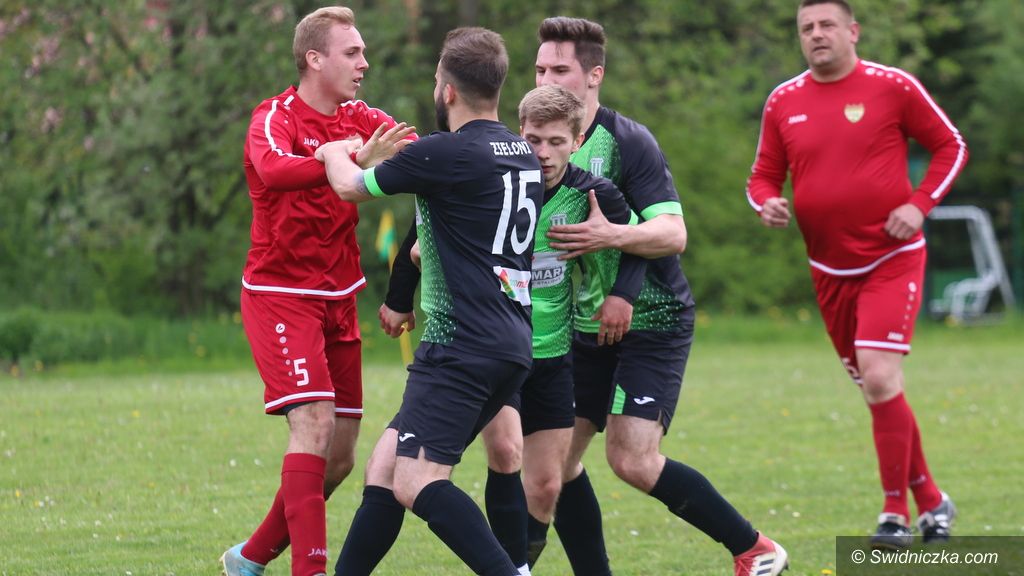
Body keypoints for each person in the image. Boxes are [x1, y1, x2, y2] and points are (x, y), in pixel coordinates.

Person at [536, 17, 789, 576]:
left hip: (653, 319)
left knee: (631, 459)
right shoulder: (536, 143)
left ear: (594, 75)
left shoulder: (627, 141)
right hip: (584, 326)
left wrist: (612, 243)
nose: (547, 79)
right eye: (539, 69)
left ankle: (755, 549)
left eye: (560, 69)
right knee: (553, 462)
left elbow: (673, 234)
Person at [378, 84, 645, 575]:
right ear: (519, 134)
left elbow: (635, 240)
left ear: (577, 141)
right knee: (504, 450)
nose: (543, 153)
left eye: (556, 142)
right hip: (494, 345)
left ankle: (516, 565)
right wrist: (399, 299)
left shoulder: (591, 194)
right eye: (534, 140)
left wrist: (621, 293)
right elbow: (423, 231)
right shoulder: (494, 180)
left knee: (546, 485)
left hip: (553, 352)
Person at [318, 27, 543, 576]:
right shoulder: (522, 152)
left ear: (447, 90)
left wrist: (332, 149)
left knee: (417, 480)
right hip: (510, 341)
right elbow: (443, 236)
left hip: (460, 346)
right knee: (384, 469)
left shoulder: (447, 151)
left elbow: (349, 186)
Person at [746, 0, 967, 550]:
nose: (816, 34)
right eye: (806, 28)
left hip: (892, 258)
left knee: (880, 376)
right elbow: (763, 176)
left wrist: (919, 204)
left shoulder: (893, 87)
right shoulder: (783, 100)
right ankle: (933, 501)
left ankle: (894, 514)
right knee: (877, 388)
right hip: (828, 268)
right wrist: (767, 202)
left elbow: (951, 146)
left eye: (827, 25)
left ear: (853, 32)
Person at [220, 7, 415, 576]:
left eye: (362, 52)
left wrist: (477, 152)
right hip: (280, 294)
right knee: (314, 426)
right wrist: (340, 157)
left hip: (339, 295)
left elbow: (415, 149)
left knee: (340, 458)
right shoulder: (273, 116)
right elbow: (274, 171)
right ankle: (309, 570)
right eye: (352, 53)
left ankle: (248, 559)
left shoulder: (359, 116)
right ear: (314, 59)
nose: (364, 63)